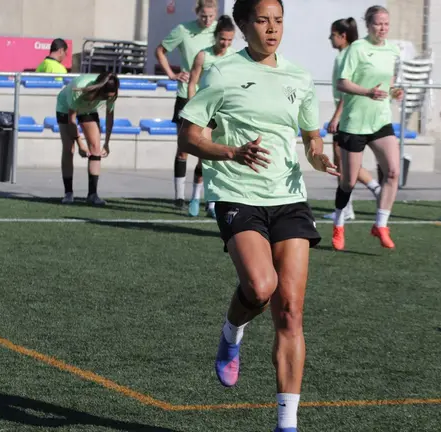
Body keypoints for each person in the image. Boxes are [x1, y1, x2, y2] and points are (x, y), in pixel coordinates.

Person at [177, 1, 337, 430]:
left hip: (288, 197)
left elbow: (311, 139)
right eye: (263, 21)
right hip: (236, 192)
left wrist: (319, 159)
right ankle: (232, 333)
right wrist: (233, 152)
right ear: (244, 25)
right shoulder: (221, 71)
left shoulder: (299, 77)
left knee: (291, 312)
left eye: (279, 21)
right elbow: (189, 136)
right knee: (261, 287)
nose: (272, 29)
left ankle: (287, 424)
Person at [330, 5, 404, 251]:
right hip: (355, 122)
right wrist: (366, 92)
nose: (382, 28)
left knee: (393, 172)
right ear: (368, 25)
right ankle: (339, 222)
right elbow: (343, 83)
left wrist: (395, 92)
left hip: (380, 120)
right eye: (377, 24)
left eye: (386, 23)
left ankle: (381, 225)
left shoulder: (393, 50)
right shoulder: (357, 49)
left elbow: (389, 84)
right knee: (348, 182)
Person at [156, 0, 218, 210]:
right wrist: (172, 74)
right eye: (203, 15)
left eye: (211, 16)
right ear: (197, 12)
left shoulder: (219, 32)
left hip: (209, 99)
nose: (207, 20)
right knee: (183, 148)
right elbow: (160, 51)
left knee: (206, 150)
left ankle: (198, 198)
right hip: (185, 96)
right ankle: (179, 197)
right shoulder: (183, 30)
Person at [322, 17, 381, 222]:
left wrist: (336, 117)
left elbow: (346, 91)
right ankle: (349, 206)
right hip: (349, 115)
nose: (330, 38)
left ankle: (374, 192)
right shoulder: (346, 54)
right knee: (342, 164)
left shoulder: (347, 56)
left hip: (348, 117)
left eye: (333, 34)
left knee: (344, 164)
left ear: (343, 36)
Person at [186, 14, 237, 218]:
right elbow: (192, 82)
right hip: (206, 113)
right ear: (215, 36)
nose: (225, 43)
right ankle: (195, 197)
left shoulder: (235, 56)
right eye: (222, 39)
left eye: (229, 40)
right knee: (205, 158)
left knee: (222, 158)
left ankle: (213, 202)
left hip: (225, 114)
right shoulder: (203, 56)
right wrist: (193, 109)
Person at [55, 72, 119, 206]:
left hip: (89, 109)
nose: (107, 99)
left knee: (96, 147)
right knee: (69, 149)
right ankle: (68, 192)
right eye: (105, 97)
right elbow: (72, 120)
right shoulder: (78, 89)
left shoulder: (112, 93)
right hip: (66, 108)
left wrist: (107, 143)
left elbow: (109, 118)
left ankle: (92, 194)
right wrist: (80, 143)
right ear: (99, 90)